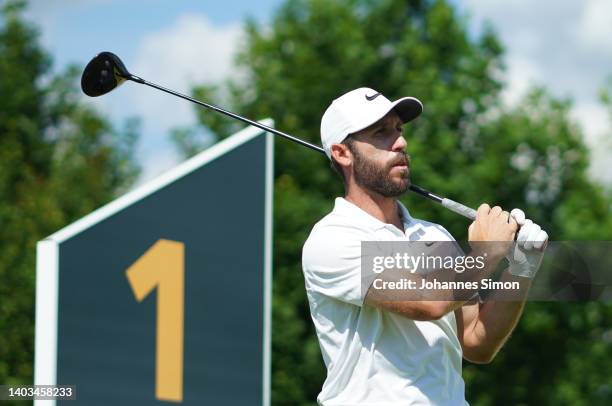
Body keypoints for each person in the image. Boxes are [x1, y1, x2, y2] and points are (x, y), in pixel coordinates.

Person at [301, 87, 549, 405]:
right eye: (381, 133)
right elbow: (428, 302)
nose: (401, 142)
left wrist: (522, 268)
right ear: (342, 153)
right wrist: (487, 252)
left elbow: (476, 342)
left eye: (399, 130)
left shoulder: (436, 236)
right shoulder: (334, 238)